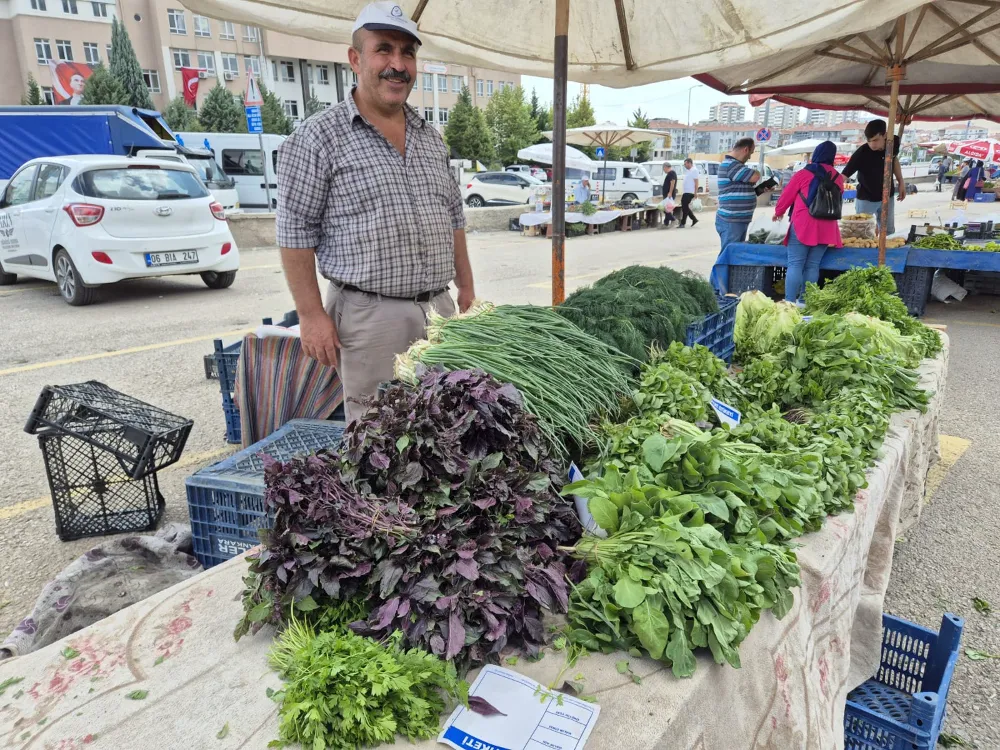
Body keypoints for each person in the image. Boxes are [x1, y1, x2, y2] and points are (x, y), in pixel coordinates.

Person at [275, 1, 475, 422]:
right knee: (379, 443)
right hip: (371, 318)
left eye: (408, 53)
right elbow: (295, 232)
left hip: (439, 312)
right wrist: (311, 316)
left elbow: (454, 218)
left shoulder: (431, 138)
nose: (397, 64)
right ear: (355, 59)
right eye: (384, 49)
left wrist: (468, 290)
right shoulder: (316, 138)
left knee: (446, 430)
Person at [772, 141, 844, 304]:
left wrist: (778, 212)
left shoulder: (804, 173)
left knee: (795, 264)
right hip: (827, 226)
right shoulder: (838, 177)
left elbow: (786, 196)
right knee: (813, 265)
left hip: (804, 224)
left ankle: (789, 303)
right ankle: (804, 302)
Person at [841, 119, 905, 235]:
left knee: (889, 232)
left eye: (876, 140)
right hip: (866, 198)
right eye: (869, 141)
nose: (872, 145)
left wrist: (901, 181)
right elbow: (843, 176)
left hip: (887, 196)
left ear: (885, 135)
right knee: (862, 233)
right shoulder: (862, 153)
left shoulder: (893, 142)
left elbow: (894, 160)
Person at [716, 137, 763, 251]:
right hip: (732, 221)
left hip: (737, 220)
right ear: (746, 150)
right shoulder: (732, 165)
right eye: (751, 153)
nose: (750, 157)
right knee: (729, 254)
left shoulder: (736, 166)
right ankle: (721, 270)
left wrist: (760, 189)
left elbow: (742, 190)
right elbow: (756, 176)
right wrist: (756, 171)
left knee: (734, 254)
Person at [678, 158, 700, 227]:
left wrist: (695, 192)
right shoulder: (689, 171)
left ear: (689, 163)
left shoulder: (694, 170)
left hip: (690, 192)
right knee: (685, 206)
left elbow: (696, 182)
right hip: (686, 191)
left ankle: (683, 223)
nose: (685, 165)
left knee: (685, 207)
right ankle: (694, 219)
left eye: (685, 164)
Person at [661, 163, 677, 227]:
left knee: (665, 209)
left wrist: (670, 192)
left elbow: (672, 182)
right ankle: (666, 223)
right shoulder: (670, 173)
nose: (663, 170)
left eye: (663, 168)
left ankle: (673, 219)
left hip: (669, 194)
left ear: (665, 167)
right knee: (667, 209)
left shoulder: (671, 173)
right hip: (667, 194)